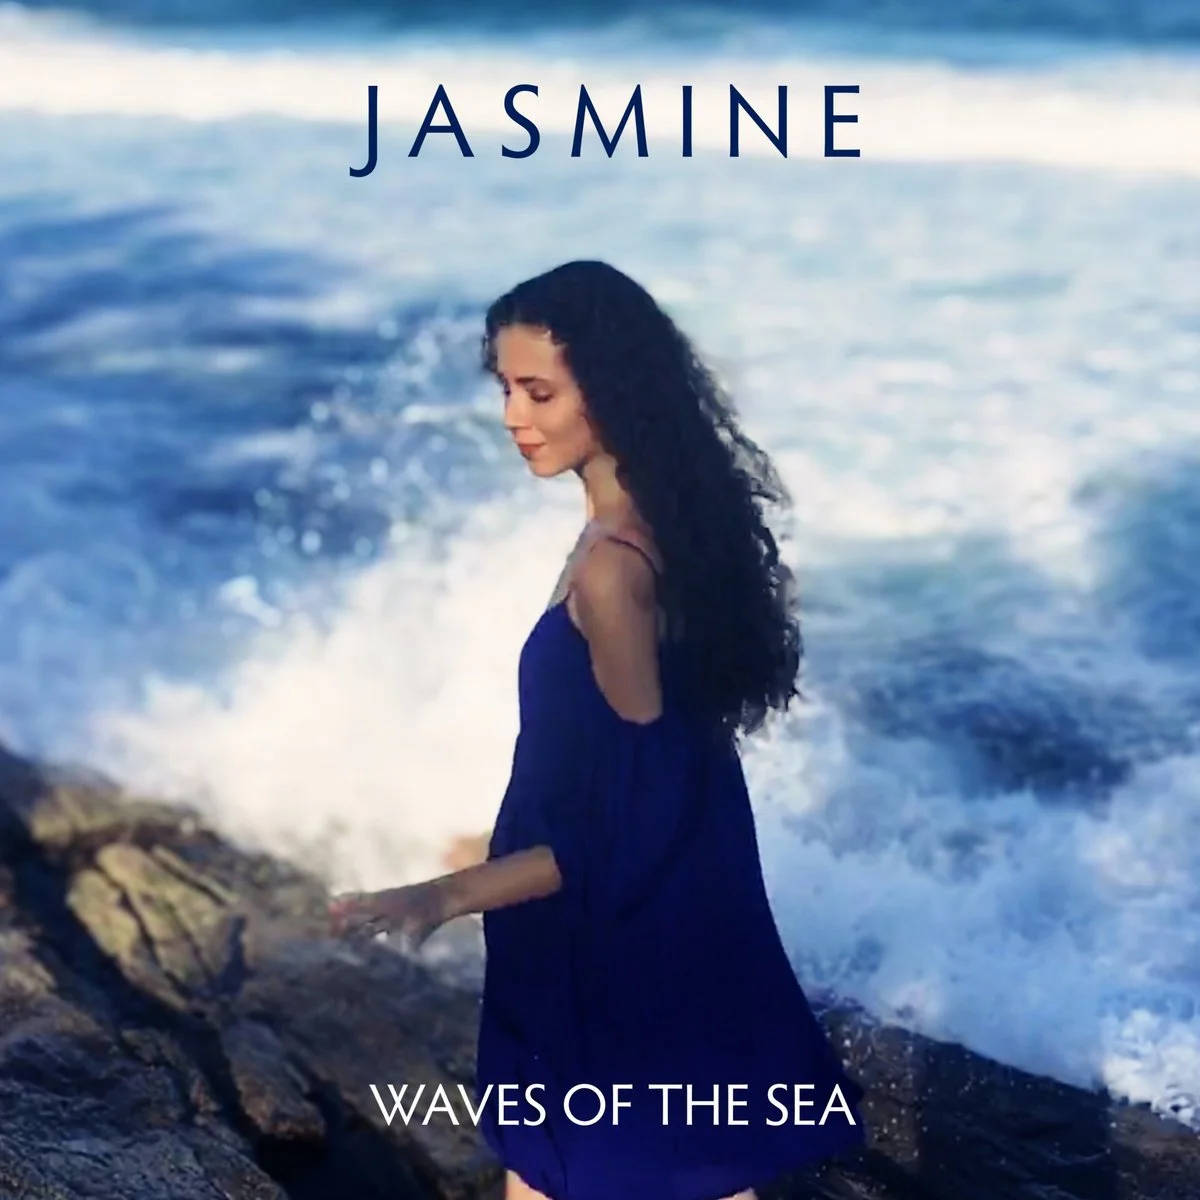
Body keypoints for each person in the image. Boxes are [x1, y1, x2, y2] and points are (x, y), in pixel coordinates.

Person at [329, 261, 867, 1199]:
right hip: (674, 916)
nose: (512, 416)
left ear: (614, 391)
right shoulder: (668, 530)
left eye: (538, 390)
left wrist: (443, 896)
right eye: (504, 388)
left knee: (600, 1171)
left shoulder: (613, 572)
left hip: (619, 942)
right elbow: (650, 775)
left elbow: (632, 825)